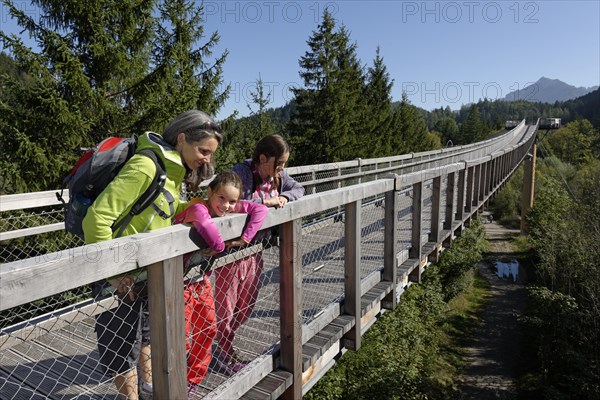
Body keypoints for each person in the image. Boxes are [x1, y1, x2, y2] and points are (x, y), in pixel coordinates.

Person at [82, 110, 222, 400]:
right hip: (120, 277)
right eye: (203, 150)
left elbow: (162, 213)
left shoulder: (172, 172)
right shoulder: (146, 166)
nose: (207, 159)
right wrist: (115, 274)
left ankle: (148, 391)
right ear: (182, 139)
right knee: (120, 348)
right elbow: (96, 220)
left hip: (145, 272)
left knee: (145, 335)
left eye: (210, 153)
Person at [212, 134, 304, 373]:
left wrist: (283, 196)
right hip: (231, 255)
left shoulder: (278, 176)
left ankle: (221, 344)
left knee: (245, 307)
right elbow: (233, 202)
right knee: (227, 308)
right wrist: (267, 203)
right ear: (263, 158)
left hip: (254, 251)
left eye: (284, 164)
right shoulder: (241, 173)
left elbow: (299, 188)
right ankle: (224, 352)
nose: (283, 169)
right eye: (280, 162)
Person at [174, 171, 268, 391]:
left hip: (200, 278)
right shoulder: (198, 207)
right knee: (182, 334)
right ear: (210, 193)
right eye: (221, 198)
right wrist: (220, 247)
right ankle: (174, 381)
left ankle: (191, 380)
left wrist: (245, 238)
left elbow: (260, 209)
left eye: (232, 201)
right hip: (177, 281)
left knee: (207, 329)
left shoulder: (225, 206)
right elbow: (209, 231)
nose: (226, 206)